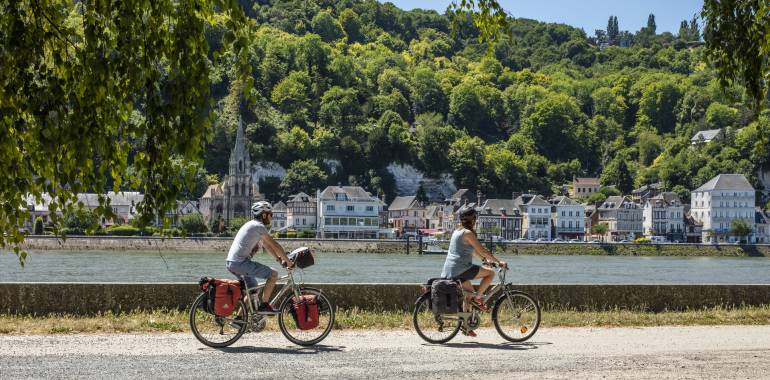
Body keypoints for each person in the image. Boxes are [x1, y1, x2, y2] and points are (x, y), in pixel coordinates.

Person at [441, 206, 507, 336]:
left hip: (450, 269)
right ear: (473, 219)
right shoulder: (468, 233)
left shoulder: (457, 231)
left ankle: (466, 326)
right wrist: (498, 261)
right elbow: (482, 250)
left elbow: (474, 251)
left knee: (468, 295)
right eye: (475, 218)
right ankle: (478, 298)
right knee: (490, 273)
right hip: (461, 269)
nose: (475, 221)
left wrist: (485, 260)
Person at [226, 201, 294, 315]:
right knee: (273, 274)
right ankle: (264, 305)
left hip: (232, 263)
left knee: (253, 291)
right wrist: (288, 261)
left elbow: (267, 245)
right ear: (264, 215)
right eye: (270, 214)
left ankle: (238, 319)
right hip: (240, 263)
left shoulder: (252, 225)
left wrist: (279, 259)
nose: (271, 217)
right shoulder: (258, 226)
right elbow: (275, 245)